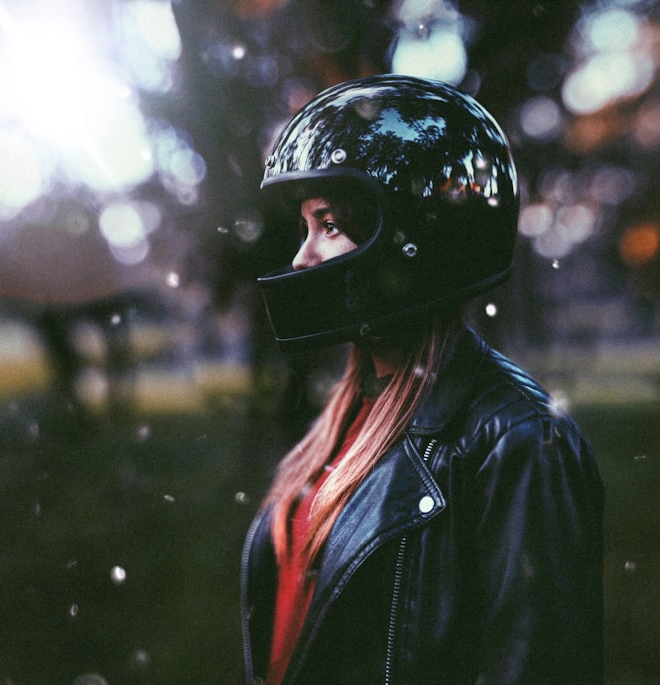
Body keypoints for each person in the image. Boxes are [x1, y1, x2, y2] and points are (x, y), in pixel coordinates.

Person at [241, 74, 604, 685]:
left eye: (328, 225)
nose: (302, 258)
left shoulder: (518, 442)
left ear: (413, 237)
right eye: (305, 228)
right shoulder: (349, 410)